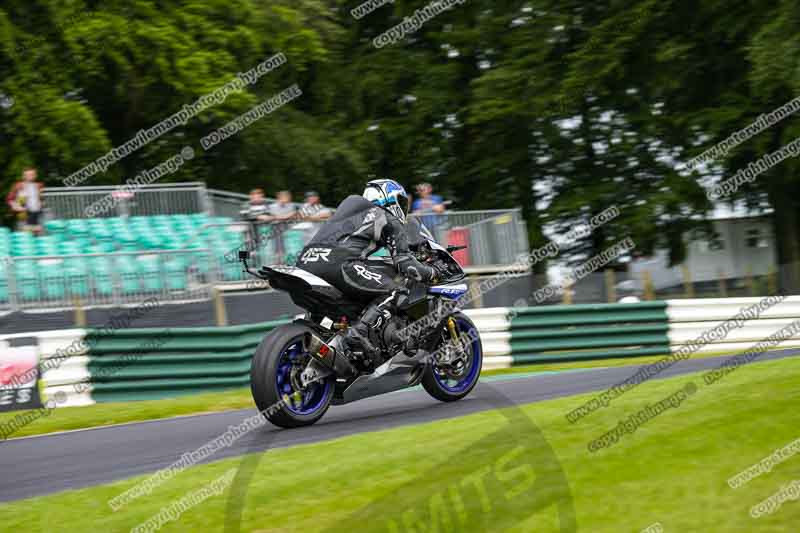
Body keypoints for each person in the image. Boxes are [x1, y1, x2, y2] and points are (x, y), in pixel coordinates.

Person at [296, 179, 440, 362]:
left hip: (306, 260)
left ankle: (329, 338)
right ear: (389, 199)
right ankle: (359, 332)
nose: (403, 208)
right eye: (401, 202)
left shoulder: (347, 211)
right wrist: (432, 272)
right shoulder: (387, 217)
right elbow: (405, 264)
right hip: (338, 263)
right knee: (396, 289)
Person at [7, 167, 44, 234]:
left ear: (35, 175)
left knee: (37, 233)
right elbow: (10, 199)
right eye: (28, 175)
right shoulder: (18, 185)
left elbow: (41, 199)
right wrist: (15, 206)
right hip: (23, 214)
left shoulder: (39, 186)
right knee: (26, 234)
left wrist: (41, 203)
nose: (30, 176)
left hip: (36, 214)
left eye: (32, 174)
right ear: (23, 176)